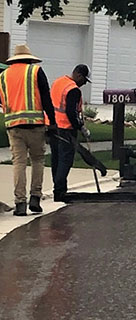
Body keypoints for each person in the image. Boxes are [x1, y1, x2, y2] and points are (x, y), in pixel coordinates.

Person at [0, 44, 57, 216]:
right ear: (29, 59)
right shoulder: (35, 72)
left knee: (19, 163)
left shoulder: (3, 76)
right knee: (38, 160)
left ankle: (20, 204)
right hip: (35, 125)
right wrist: (52, 122)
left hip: (13, 126)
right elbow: (46, 97)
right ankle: (35, 198)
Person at [48, 64, 91, 202]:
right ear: (78, 75)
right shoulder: (73, 89)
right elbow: (71, 113)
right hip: (66, 129)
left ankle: (59, 188)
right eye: (84, 80)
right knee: (65, 160)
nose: (84, 83)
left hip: (53, 127)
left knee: (56, 159)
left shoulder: (58, 82)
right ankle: (59, 191)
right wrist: (80, 127)